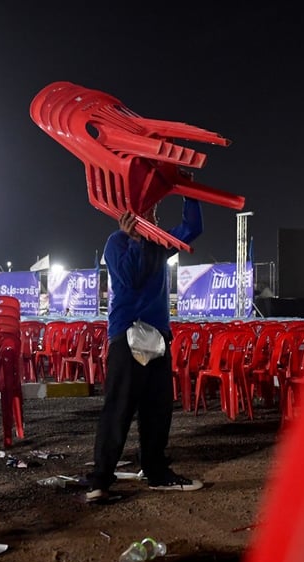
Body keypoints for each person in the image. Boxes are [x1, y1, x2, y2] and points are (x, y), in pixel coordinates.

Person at [86, 185, 205, 503]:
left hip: (158, 337)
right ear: (129, 214)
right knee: (120, 407)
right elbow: (128, 279)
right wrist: (136, 241)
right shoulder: (116, 242)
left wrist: (188, 192)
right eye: (145, 210)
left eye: (153, 210)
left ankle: (156, 471)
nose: (152, 215)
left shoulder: (160, 242)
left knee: (157, 408)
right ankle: (100, 479)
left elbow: (192, 229)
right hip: (128, 336)